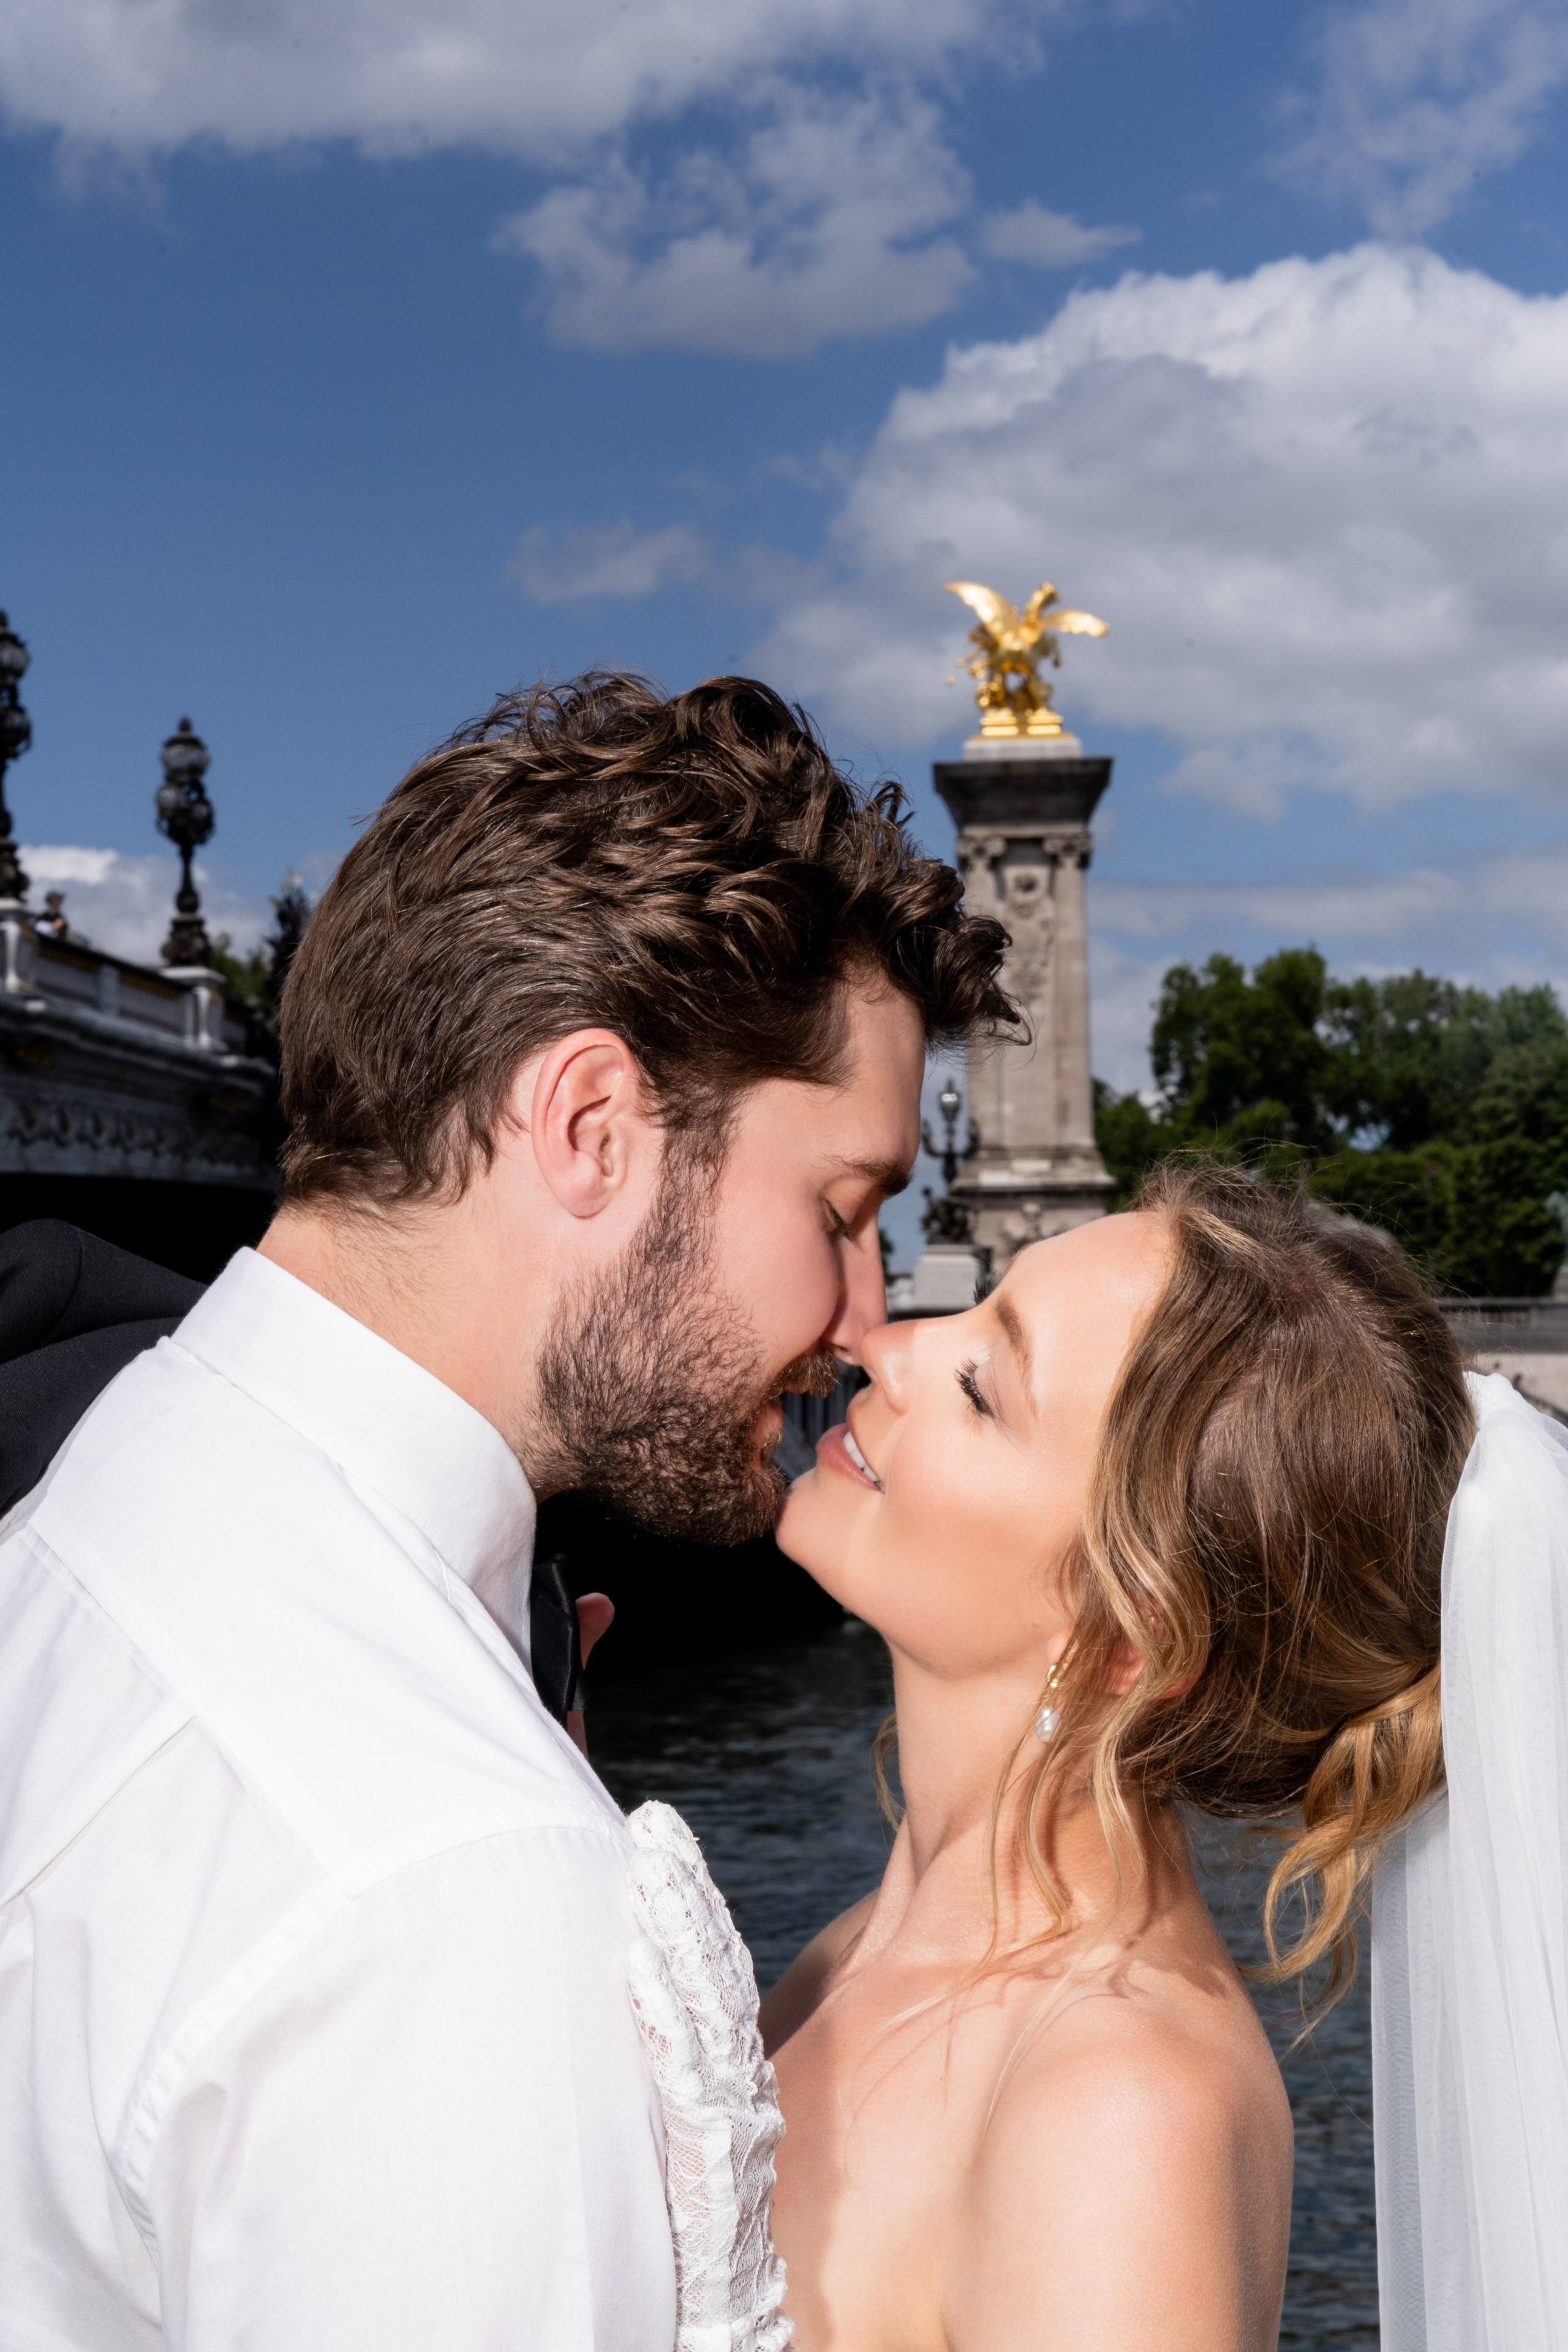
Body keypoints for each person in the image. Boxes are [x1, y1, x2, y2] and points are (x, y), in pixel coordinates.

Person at [0, 672, 1011, 2351]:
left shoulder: (80, 1516)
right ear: (593, 1127)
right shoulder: (456, 1892)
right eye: (842, 1209)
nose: (865, 1315)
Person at [764, 1161, 1476, 2352]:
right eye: (970, 1311)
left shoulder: (1119, 2110)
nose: (887, 1347)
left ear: (1130, 1637)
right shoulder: (859, 1950)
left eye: (983, 1389)